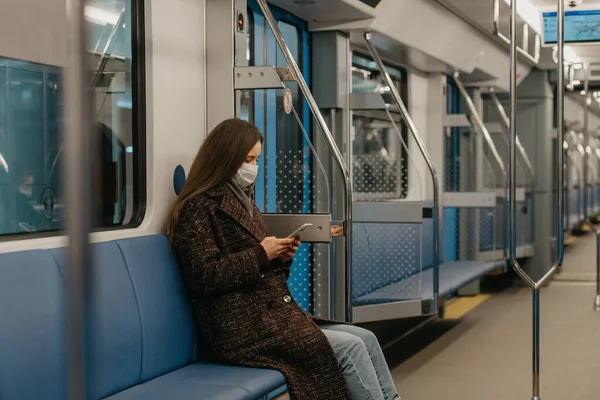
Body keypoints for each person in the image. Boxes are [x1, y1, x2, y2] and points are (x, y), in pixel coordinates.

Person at [166, 118, 399, 400]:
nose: (252, 167)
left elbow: (260, 272)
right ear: (225, 158)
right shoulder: (198, 208)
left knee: (367, 338)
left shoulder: (243, 200)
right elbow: (203, 276)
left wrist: (279, 258)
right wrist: (261, 254)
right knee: (350, 348)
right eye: (247, 159)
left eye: (256, 159)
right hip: (238, 329)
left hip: (265, 318)